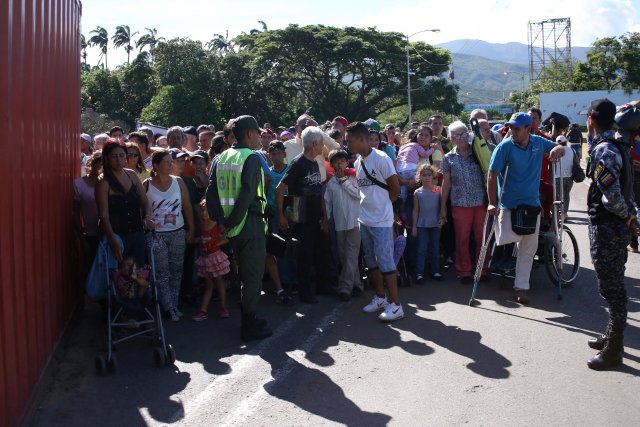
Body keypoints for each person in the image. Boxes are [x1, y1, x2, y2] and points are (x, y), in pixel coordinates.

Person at [583, 98, 640, 370]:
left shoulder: (604, 149)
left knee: (612, 287)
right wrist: (630, 215)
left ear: (591, 119)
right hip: (614, 227)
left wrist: (627, 215)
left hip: (608, 227)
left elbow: (612, 195)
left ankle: (615, 349)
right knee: (611, 283)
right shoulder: (616, 144)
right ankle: (610, 336)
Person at [206, 115, 273, 341]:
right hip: (249, 224)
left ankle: (251, 319)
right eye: (258, 134)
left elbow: (211, 190)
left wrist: (221, 222)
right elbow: (246, 195)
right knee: (252, 278)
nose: (260, 138)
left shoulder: (222, 156)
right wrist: (232, 221)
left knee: (245, 274)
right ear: (250, 133)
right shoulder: (251, 158)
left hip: (231, 227)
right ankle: (249, 326)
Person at [487, 113, 565, 304]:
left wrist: (557, 149)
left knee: (528, 249)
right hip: (509, 204)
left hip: (531, 205)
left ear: (528, 129)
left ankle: (521, 287)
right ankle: (501, 265)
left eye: (517, 128)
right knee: (505, 239)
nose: (512, 131)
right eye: (511, 127)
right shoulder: (504, 147)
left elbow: (561, 147)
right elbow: (492, 174)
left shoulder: (538, 142)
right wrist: (491, 201)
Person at [346, 121, 403, 322]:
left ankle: (396, 305)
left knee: (386, 261)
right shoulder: (357, 162)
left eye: (350, 141)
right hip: (365, 219)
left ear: (362, 139)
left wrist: (385, 208)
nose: (348, 145)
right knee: (371, 261)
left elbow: (395, 188)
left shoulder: (382, 159)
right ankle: (380, 297)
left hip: (382, 220)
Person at [277, 126, 327, 304]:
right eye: (321, 143)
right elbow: (280, 188)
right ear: (314, 144)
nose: (323, 146)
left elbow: (318, 190)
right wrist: (282, 215)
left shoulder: (314, 162)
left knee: (317, 252)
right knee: (304, 255)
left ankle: (320, 286)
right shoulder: (298, 163)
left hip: (314, 216)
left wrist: (324, 215)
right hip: (301, 217)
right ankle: (304, 291)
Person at [146, 150, 195, 321]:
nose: (170, 164)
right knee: (161, 273)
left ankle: (173, 305)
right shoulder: (146, 184)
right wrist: (146, 220)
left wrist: (191, 229)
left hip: (177, 232)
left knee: (176, 270)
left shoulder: (178, 182)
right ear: (156, 165)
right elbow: (142, 210)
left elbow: (187, 206)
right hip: (155, 235)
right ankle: (167, 308)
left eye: (170, 161)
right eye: (166, 162)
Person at [440, 121, 489, 283]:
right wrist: (443, 208)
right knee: (462, 239)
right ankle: (464, 271)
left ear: (468, 135)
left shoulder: (478, 153)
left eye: (462, 134)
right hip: (460, 204)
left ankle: (482, 269)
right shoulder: (448, 158)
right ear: (450, 138)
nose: (459, 138)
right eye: (454, 135)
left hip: (481, 202)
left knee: (482, 238)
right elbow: (445, 184)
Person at [95, 140, 152, 266]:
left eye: (121, 156)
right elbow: (103, 216)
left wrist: (148, 217)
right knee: (119, 279)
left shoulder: (132, 175)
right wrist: (113, 241)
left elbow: (145, 202)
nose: (119, 160)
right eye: (114, 157)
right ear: (106, 158)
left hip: (138, 234)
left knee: (140, 275)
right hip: (117, 237)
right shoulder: (103, 181)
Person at [322, 149, 362, 302]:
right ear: (331, 164)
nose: (339, 164)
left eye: (342, 161)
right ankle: (357, 284)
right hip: (339, 224)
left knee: (351, 256)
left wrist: (344, 181)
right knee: (344, 256)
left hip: (355, 222)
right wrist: (326, 221)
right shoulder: (331, 183)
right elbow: (328, 204)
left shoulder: (353, 178)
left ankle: (344, 288)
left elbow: (357, 195)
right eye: (336, 162)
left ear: (347, 163)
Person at [192, 200, 231, 321]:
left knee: (219, 283)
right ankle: (203, 310)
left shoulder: (217, 225)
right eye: (203, 210)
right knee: (208, 285)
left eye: (207, 211)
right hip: (205, 258)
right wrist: (199, 240)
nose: (204, 213)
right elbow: (200, 239)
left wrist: (215, 242)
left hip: (215, 258)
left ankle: (223, 307)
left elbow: (227, 238)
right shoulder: (202, 224)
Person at [412, 164, 444, 284]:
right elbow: (415, 210)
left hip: (436, 224)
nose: (426, 177)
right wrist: (414, 227)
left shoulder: (437, 189)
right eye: (424, 175)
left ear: (433, 176)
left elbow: (442, 206)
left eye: (429, 175)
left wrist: (442, 219)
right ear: (420, 177)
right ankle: (419, 273)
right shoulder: (417, 192)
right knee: (421, 249)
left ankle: (435, 271)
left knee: (435, 248)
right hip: (422, 225)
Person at [73, 151, 102, 280]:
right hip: (90, 234)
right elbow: (75, 211)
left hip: (109, 233)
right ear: (92, 163)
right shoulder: (79, 184)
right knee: (90, 267)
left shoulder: (111, 183)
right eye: (99, 163)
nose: (102, 167)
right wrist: (81, 235)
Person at [396, 125, 436, 199]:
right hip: (412, 170)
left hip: (401, 171)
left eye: (426, 135)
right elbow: (425, 154)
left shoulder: (402, 147)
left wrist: (399, 174)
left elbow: (398, 159)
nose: (423, 137)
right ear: (416, 136)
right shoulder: (416, 145)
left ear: (431, 138)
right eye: (421, 134)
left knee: (403, 189)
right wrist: (433, 149)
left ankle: (402, 201)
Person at [553, 135, 575, 219]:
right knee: (566, 195)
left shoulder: (555, 151)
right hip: (569, 176)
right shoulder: (571, 150)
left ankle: (559, 214)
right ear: (566, 142)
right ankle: (565, 213)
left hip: (558, 176)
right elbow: (576, 161)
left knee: (558, 196)